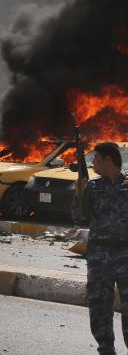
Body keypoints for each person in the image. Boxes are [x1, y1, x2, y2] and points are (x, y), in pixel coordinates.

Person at [76, 141, 128, 355]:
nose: (93, 162)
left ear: (108, 160)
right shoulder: (93, 187)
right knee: (99, 304)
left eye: (96, 158)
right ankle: (105, 348)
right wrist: (80, 195)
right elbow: (79, 217)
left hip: (126, 253)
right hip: (99, 255)